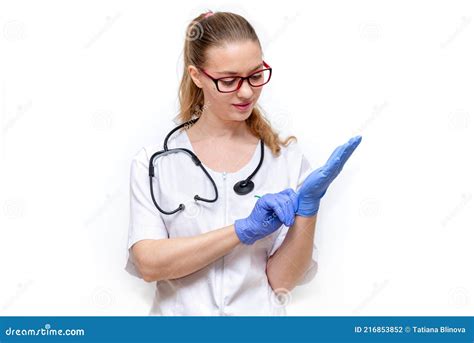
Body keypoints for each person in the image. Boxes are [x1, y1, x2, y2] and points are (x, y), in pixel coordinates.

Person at [124, 10, 361, 316]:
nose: (247, 92)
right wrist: (241, 231)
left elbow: (282, 282)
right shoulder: (154, 163)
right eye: (229, 80)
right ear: (197, 76)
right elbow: (149, 264)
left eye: (255, 75)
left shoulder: (284, 161)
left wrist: (308, 211)